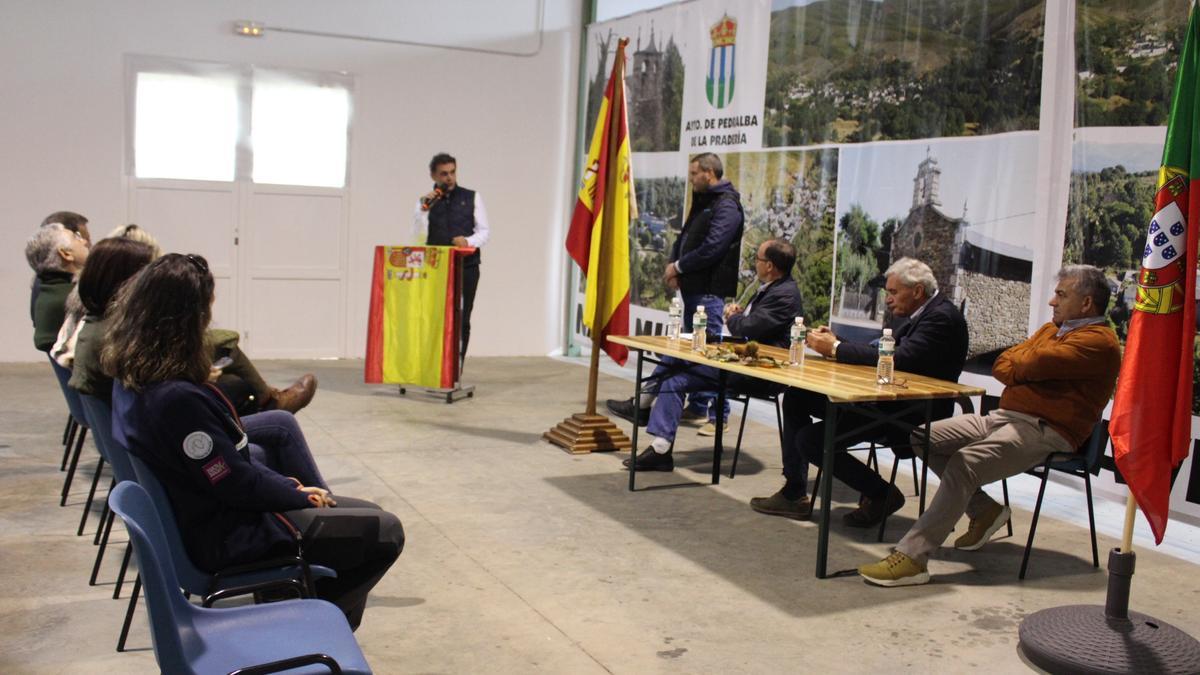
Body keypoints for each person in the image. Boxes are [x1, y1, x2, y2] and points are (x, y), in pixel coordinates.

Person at [105, 253, 404, 629]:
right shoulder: (176, 400)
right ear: (185, 323)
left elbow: (227, 471)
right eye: (205, 315)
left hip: (202, 518)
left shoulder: (132, 379)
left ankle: (296, 600)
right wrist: (295, 494)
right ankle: (311, 623)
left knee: (362, 514)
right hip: (226, 535)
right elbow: (233, 482)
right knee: (384, 531)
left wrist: (290, 489)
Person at [858, 264, 1121, 587]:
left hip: (1047, 429)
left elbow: (1028, 362)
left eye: (1061, 295)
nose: (1052, 302)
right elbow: (1002, 365)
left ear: (1086, 303)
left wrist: (1026, 362)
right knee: (921, 438)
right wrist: (1027, 364)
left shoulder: (1100, 342)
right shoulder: (1053, 331)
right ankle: (984, 511)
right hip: (1002, 418)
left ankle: (912, 557)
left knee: (964, 464)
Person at [750, 257, 968, 523]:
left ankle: (881, 494)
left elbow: (901, 357)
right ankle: (794, 492)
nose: (888, 299)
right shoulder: (921, 314)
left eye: (893, 292)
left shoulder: (942, 318)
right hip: (886, 400)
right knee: (798, 397)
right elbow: (885, 351)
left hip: (909, 412)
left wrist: (835, 349)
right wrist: (838, 341)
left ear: (918, 291)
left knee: (811, 440)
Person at [609, 239, 802, 472]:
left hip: (758, 372)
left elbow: (748, 328)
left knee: (677, 361)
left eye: (758, 259)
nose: (755, 263)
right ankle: (660, 447)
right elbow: (753, 325)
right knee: (675, 376)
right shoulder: (772, 288)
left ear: (769, 266)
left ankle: (643, 405)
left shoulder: (785, 295)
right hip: (742, 361)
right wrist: (739, 318)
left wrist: (732, 317)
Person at [108, 223, 318, 415]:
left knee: (235, 381)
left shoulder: (119, 340)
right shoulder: (171, 392)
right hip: (178, 431)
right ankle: (271, 402)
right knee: (275, 421)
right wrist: (195, 377)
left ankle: (269, 401)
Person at [651, 152, 746, 432]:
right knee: (694, 348)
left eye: (694, 174)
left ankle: (720, 418)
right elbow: (686, 236)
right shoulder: (705, 199)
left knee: (711, 350)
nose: (691, 179)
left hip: (709, 291)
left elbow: (713, 248)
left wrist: (679, 266)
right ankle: (696, 407)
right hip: (693, 288)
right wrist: (674, 265)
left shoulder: (727, 206)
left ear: (709, 173)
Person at [412, 152, 489, 360]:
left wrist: (468, 241)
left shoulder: (472, 197)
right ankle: (434, 365)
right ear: (433, 176)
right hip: (436, 267)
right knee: (434, 317)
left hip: (467, 267)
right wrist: (423, 210)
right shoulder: (425, 203)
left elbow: (484, 232)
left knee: (462, 318)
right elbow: (418, 238)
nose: (449, 178)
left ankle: (456, 369)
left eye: (453, 172)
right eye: (444, 173)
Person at [26, 223, 90, 352]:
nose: (84, 241)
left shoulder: (46, 293)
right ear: (66, 254)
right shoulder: (76, 298)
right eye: (76, 237)